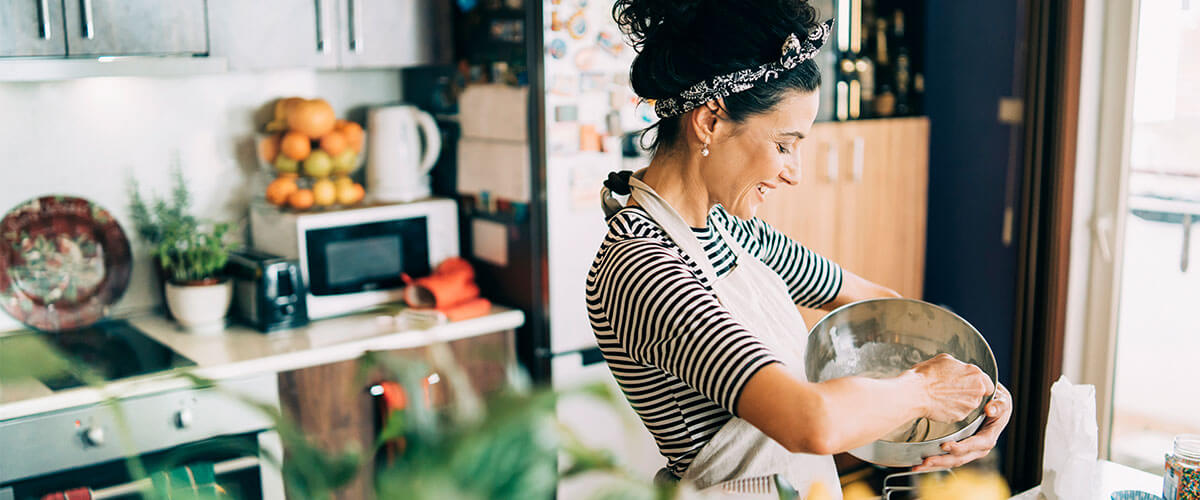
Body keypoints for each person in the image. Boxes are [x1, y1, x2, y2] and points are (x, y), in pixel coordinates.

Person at [586, 0, 1013, 495]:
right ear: (710, 122)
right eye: (784, 145)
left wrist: (979, 392)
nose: (795, 172)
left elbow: (880, 307)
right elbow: (810, 421)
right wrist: (926, 390)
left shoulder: (732, 231)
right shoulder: (642, 267)